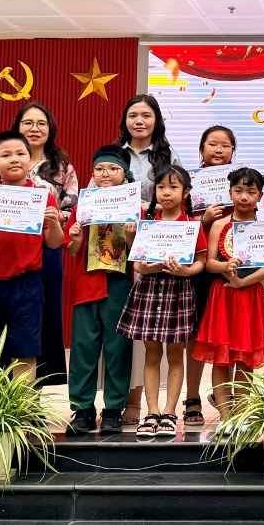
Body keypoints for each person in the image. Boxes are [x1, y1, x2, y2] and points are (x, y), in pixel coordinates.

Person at [0, 132, 65, 378]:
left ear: (30, 160)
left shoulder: (42, 197)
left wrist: (54, 223)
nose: (14, 159)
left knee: (24, 351)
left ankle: (21, 403)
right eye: (5, 155)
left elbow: (53, 242)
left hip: (26, 283)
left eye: (20, 154)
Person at [118, 164, 206, 439]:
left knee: (176, 353)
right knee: (152, 353)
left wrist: (186, 272)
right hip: (150, 289)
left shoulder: (192, 225)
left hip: (179, 290)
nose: (166, 192)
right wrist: (144, 263)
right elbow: (137, 264)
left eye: (173, 187)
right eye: (161, 187)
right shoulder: (147, 224)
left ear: (186, 192)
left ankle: (170, 412)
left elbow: (200, 262)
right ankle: (152, 412)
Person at [114, 94, 183, 426]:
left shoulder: (170, 156)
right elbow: (98, 192)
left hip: (162, 245)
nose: (139, 121)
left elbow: (181, 195)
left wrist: (147, 210)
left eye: (146, 115)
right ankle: (127, 399)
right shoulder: (115, 155)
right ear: (125, 120)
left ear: (157, 120)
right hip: (118, 245)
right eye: (133, 115)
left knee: (159, 339)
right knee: (132, 331)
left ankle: (152, 404)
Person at [191, 167, 264, 423]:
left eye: (250, 191)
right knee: (221, 358)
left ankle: (240, 416)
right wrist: (225, 267)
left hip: (250, 295)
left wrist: (242, 282)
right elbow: (209, 263)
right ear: (230, 193)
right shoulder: (219, 225)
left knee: (246, 357)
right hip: (223, 295)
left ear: (260, 195)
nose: (244, 197)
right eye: (238, 191)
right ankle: (225, 416)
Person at [0, 104, 75, 389]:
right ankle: (2, 391)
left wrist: (53, 217)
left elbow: (72, 208)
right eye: (28, 123)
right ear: (18, 126)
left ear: (50, 128)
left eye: (41, 123)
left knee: (42, 316)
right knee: (4, 315)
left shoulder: (62, 166)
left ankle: (33, 393)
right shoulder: (1, 160)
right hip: (6, 250)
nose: (34, 128)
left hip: (46, 248)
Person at [62, 146, 137, 437]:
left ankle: (113, 410)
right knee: (83, 349)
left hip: (119, 285)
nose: (105, 174)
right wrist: (75, 237)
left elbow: (141, 253)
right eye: (99, 169)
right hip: (87, 284)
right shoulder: (83, 206)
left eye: (113, 169)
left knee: (118, 349)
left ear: (125, 174)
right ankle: (82, 409)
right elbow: (72, 250)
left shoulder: (135, 208)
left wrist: (131, 235)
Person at [184, 125, 238, 428]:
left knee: (228, 336)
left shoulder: (241, 181)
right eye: (213, 144)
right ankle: (192, 397)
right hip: (198, 266)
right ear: (202, 149)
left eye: (225, 145)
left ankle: (226, 398)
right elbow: (177, 223)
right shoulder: (189, 183)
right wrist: (201, 220)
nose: (219, 150)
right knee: (197, 334)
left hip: (232, 270)